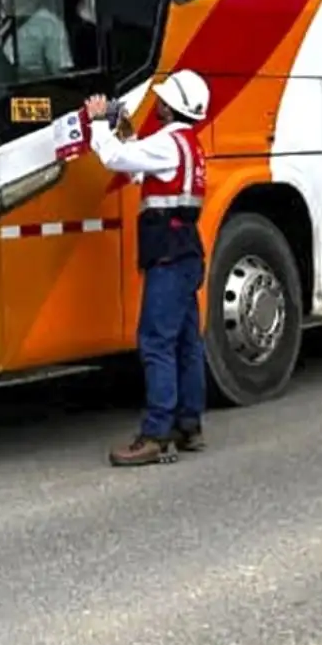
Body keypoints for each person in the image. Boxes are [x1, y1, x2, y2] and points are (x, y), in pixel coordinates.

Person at [83, 70, 212, 467]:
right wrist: (126, 133)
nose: (156, 102)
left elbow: (113, 158)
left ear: (170, 106)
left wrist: (99, 121)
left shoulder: (167, 144)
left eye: (161, 98)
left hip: (168, 258)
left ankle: (156, 433)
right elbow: (139, 169)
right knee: (188, 342)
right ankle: (188, 425)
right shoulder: (188, 145)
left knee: (156, 342)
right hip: (188, 252)